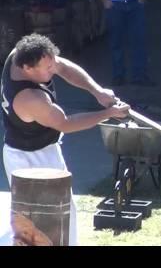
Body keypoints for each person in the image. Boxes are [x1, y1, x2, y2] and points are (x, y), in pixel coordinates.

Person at [1, 34, 130, 245]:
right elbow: (66, 123)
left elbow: (63, 67)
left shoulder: (25, 53)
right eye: (47, 68)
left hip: (46, 147)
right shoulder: (30, 99)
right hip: (27, 158)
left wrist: (97, 91)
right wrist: (108, 113)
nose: (53, 70)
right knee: (36, 223)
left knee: (65, 212)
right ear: (28, 69)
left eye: (52, 63)